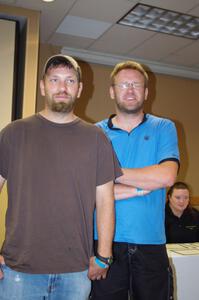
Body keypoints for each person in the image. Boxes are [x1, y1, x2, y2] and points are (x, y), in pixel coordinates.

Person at [0, 54, 122, 300]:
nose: (62, 87)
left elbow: (106, 200)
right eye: (54, 80)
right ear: (43, 86)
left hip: (75, 272)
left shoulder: (97, 138)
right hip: (19, 270)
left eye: (70, 80)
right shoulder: (13, 133)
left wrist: (103, 255)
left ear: (79, 89)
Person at [90, 60, 180, 300]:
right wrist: (140, 188)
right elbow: (88, 189)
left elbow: (167, 176)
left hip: (151, 244)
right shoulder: (94, 133)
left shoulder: (164, 127)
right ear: (112, 91)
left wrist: (109, 174)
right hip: (105, 245)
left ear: (146, 92)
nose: (130, 90)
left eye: (136, 85)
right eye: (123, 84)